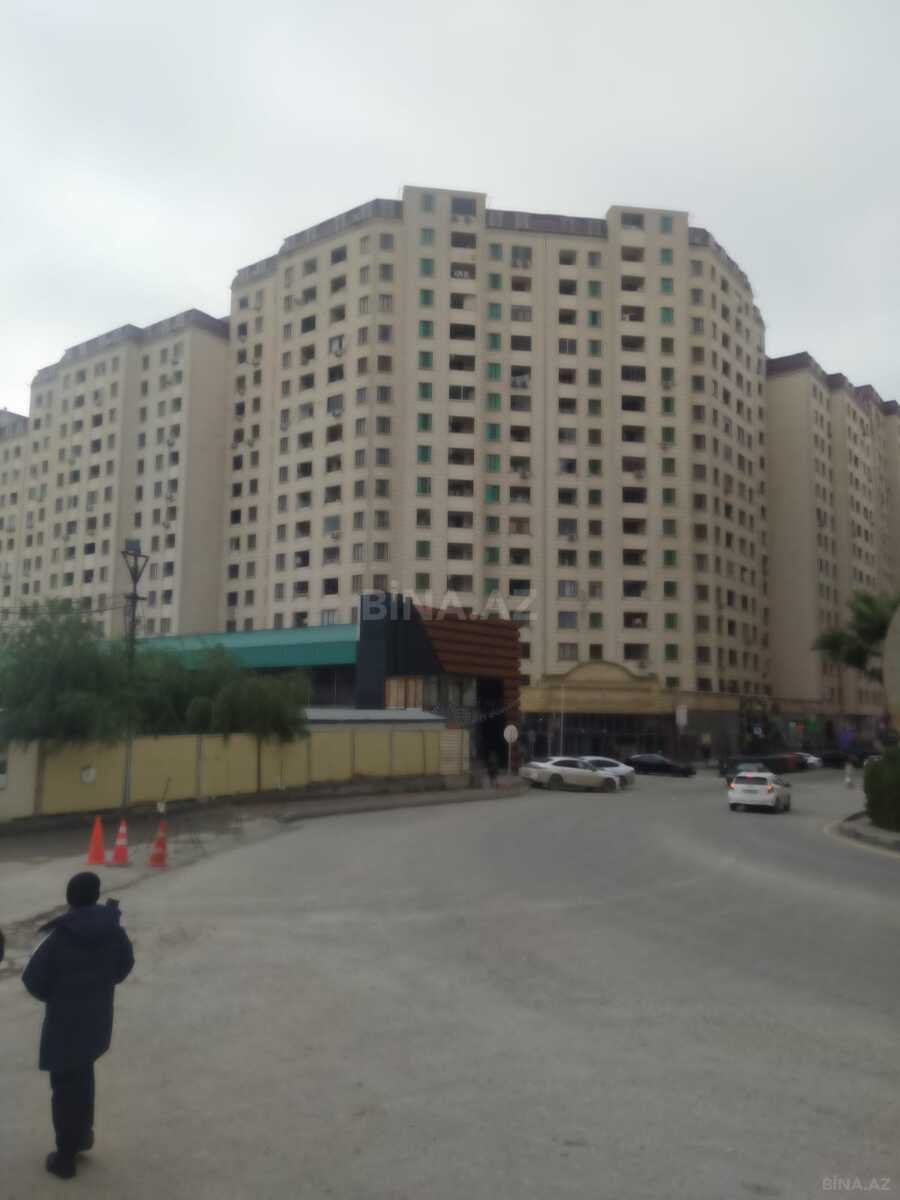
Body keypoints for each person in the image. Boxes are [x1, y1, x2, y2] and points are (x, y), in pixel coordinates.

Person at [22, 871, 134, 1180]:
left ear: (70, 900)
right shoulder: (112, 929)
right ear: (96, 896)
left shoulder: (59, 937)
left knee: (64, 1091)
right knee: (83, 1080)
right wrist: (100, 985)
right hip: (97, 1021)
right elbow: (124, 965)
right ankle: (82, 1136)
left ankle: (65, 1158)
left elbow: (33, 980)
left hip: (63, 1027)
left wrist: (58, 997)